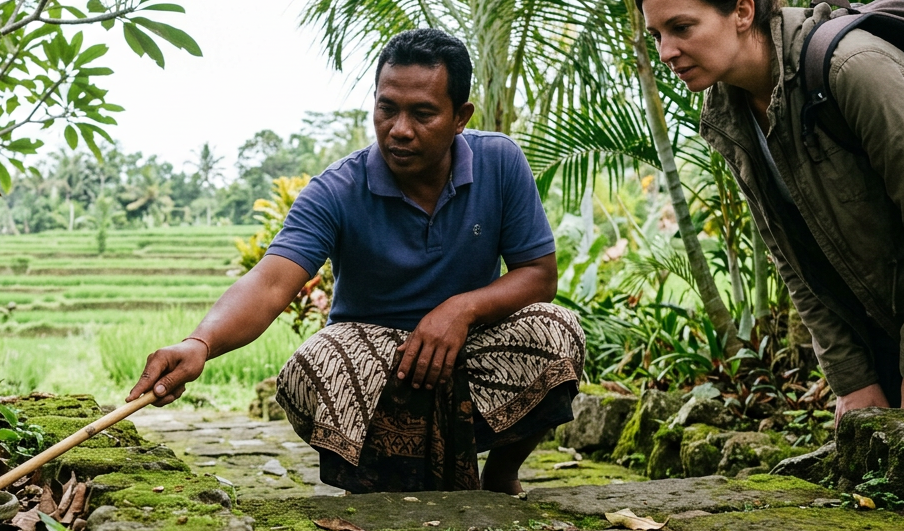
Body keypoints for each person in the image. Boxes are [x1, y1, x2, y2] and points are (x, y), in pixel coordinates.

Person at [128, 29, 584, 495]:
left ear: (460, 117)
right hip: (373, 359)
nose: (400, 128)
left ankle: (501, 476)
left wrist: (460, 310)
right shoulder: (335, 190)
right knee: (316, 367)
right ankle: (372, 491)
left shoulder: (500, 162)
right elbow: (269, 283)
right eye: (387, 108)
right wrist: (200, 343)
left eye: (423, 113)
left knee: (555, 330)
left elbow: (538, 276)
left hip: (468, 343)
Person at [637, 0, 904, 420]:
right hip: (901, 333)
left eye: (681, 27)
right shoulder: (729, 112)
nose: (666, 52)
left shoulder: (853, 69)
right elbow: (795, 261)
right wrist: (855, 380)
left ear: (742, 12)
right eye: (656, 35)